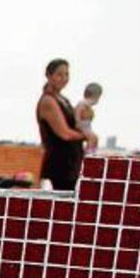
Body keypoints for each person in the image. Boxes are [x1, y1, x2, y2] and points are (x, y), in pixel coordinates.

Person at [36, 59, 89, 190]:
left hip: (71, 165)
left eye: (66, 74)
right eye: (59, 74)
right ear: (49, 76)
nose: (64, 78)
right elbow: (65, 134)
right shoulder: (48, 101)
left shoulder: (63, 100)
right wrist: (85, 136)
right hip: (59, 167)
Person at [75, 82, 102, 152]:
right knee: (92, 138)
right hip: (82, 128)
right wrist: (78, 125)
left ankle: (90, 152)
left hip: (87, 128)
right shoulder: (83, 103)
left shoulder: (88, 106)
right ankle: (88, 153)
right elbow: (77, 115)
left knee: (94, 138)